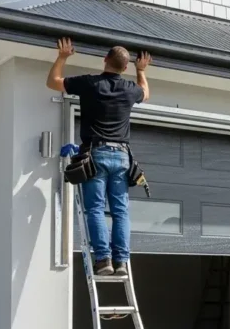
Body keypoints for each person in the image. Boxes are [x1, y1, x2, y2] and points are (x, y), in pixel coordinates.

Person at [46, 37, 152, 276]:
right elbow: (145, 93)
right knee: (120, 211)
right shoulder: (130, 89)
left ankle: (103, 261)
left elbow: (53, 82)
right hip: (122, 156)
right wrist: (141, 70)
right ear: (125, 67)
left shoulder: (90, 83)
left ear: (105, 59)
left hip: (96, 154)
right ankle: (121, 262)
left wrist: (62, 57)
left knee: (95, 208)